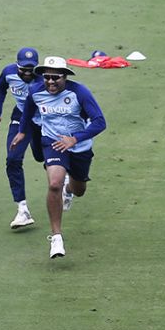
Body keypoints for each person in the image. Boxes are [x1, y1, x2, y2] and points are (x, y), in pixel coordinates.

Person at [10, 56, 106, 259]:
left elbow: (99, 122)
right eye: (47, 78)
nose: (51, 82)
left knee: (79, 189)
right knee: (54, 184)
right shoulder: (36, 92)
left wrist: (75, 138)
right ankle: (56, 238)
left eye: (56, 78)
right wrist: (22, 131)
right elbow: (27, 111)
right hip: (52, 142)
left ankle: (69, 189)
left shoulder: (79, 92)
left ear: (65, 77)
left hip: (79, 147)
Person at [0, 47, 44, 229]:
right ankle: (22, 210)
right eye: (23, 70)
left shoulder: (45, 80)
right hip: (20, 117)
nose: (28, 74)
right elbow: (0, 87)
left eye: (31, 70)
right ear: (17, 65)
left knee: (40, 157)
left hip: (44, 121)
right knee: (12, 159)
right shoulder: (9, 72)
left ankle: (66, 177)